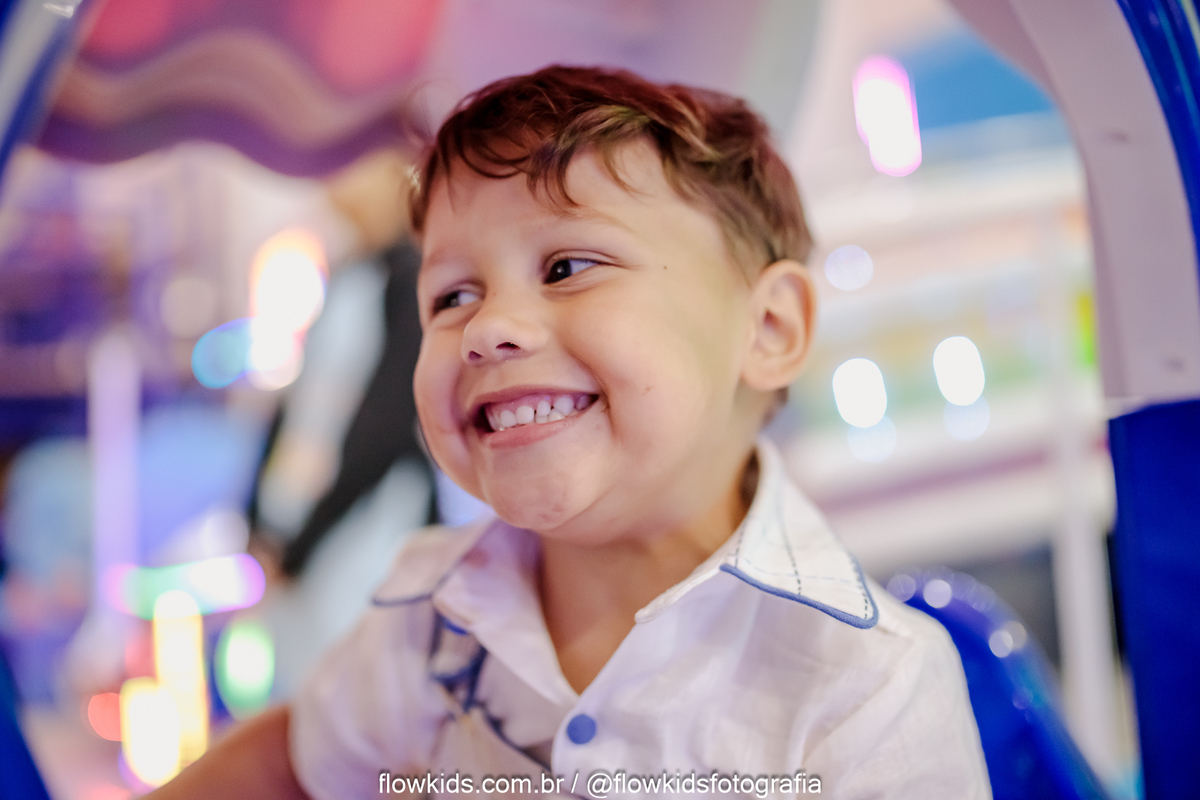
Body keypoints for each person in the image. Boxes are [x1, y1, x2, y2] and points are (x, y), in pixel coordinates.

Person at [149, 65, 990, 799]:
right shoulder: (423, 625)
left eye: (567, 267)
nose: (486, 329)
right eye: (452, 296)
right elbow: (292, 767)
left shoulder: (864, 688)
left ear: (768, 328)